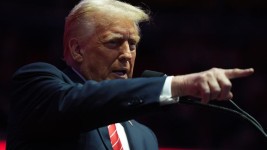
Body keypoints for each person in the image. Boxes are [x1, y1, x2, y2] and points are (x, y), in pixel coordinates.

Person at [6, 0, 254, 149]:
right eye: (114, 43)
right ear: (77, 49)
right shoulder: (37, 83)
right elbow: (80, 103)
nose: (127, 55)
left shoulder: (144, 137)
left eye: (133, 44)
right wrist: (175, 85)